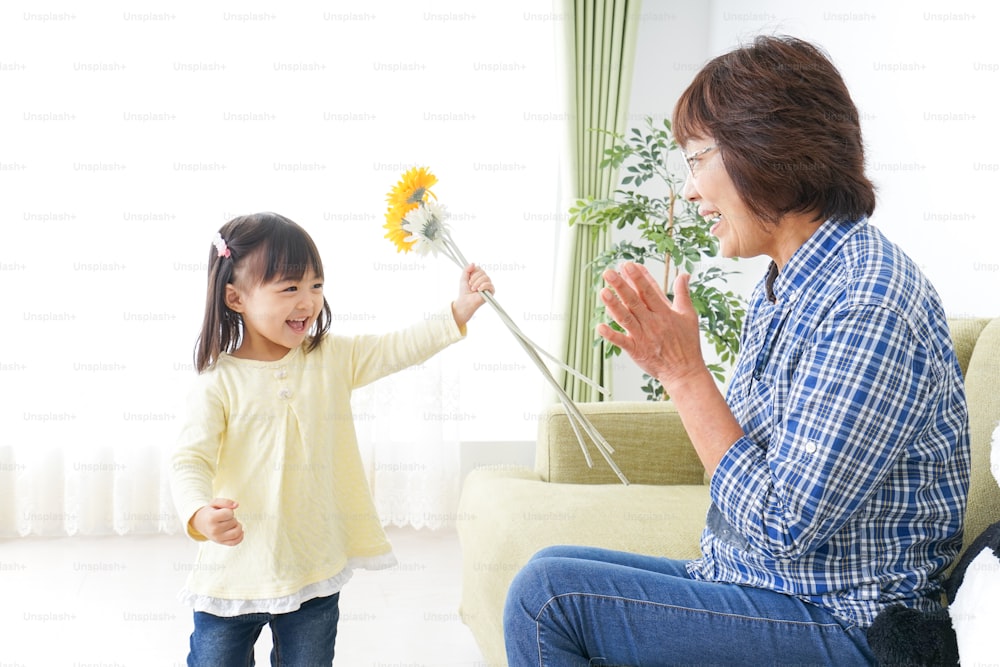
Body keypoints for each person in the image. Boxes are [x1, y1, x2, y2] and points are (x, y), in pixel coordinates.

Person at [503, 35, 970, 665]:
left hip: (852, 624)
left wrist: (685, 373)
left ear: (767, 148)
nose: (691, 191)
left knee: (547, 598)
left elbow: (782, 524)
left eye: (698, 159)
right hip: (773, 588)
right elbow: (744, 486)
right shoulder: (789, 284)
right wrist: (678, 371)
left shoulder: (869, 299)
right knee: (552, 566)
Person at [169, 212, 493, 666]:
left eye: (315, 286)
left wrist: (457, 311)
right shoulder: (218, 382)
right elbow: (188, 461)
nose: (307, 302)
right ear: (235, 297)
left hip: (313, 564)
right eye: (289, 288)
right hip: (236, 572)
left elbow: (396, 347)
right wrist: (199, 512)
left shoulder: (330, 357)